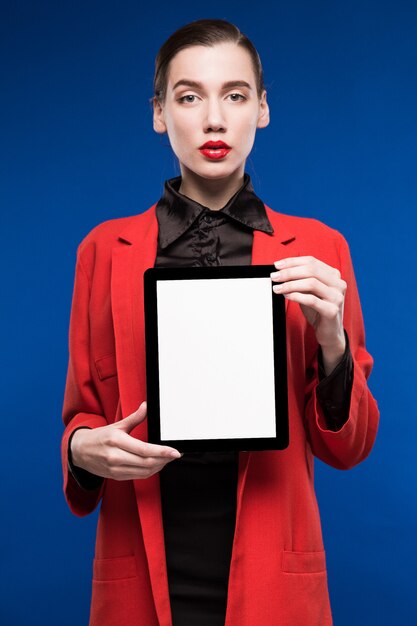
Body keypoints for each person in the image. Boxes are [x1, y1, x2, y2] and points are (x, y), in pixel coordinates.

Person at [61, 18, 379, 626]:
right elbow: (83, 411)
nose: (214, 119)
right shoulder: (104, 250)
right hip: (143, 568)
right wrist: (81, 448)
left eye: (235, 95)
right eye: (189, 96)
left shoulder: (318, 250)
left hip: (273, 579)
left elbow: (350, 447)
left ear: (261, 109)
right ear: (159, 113)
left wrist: (333, 343)